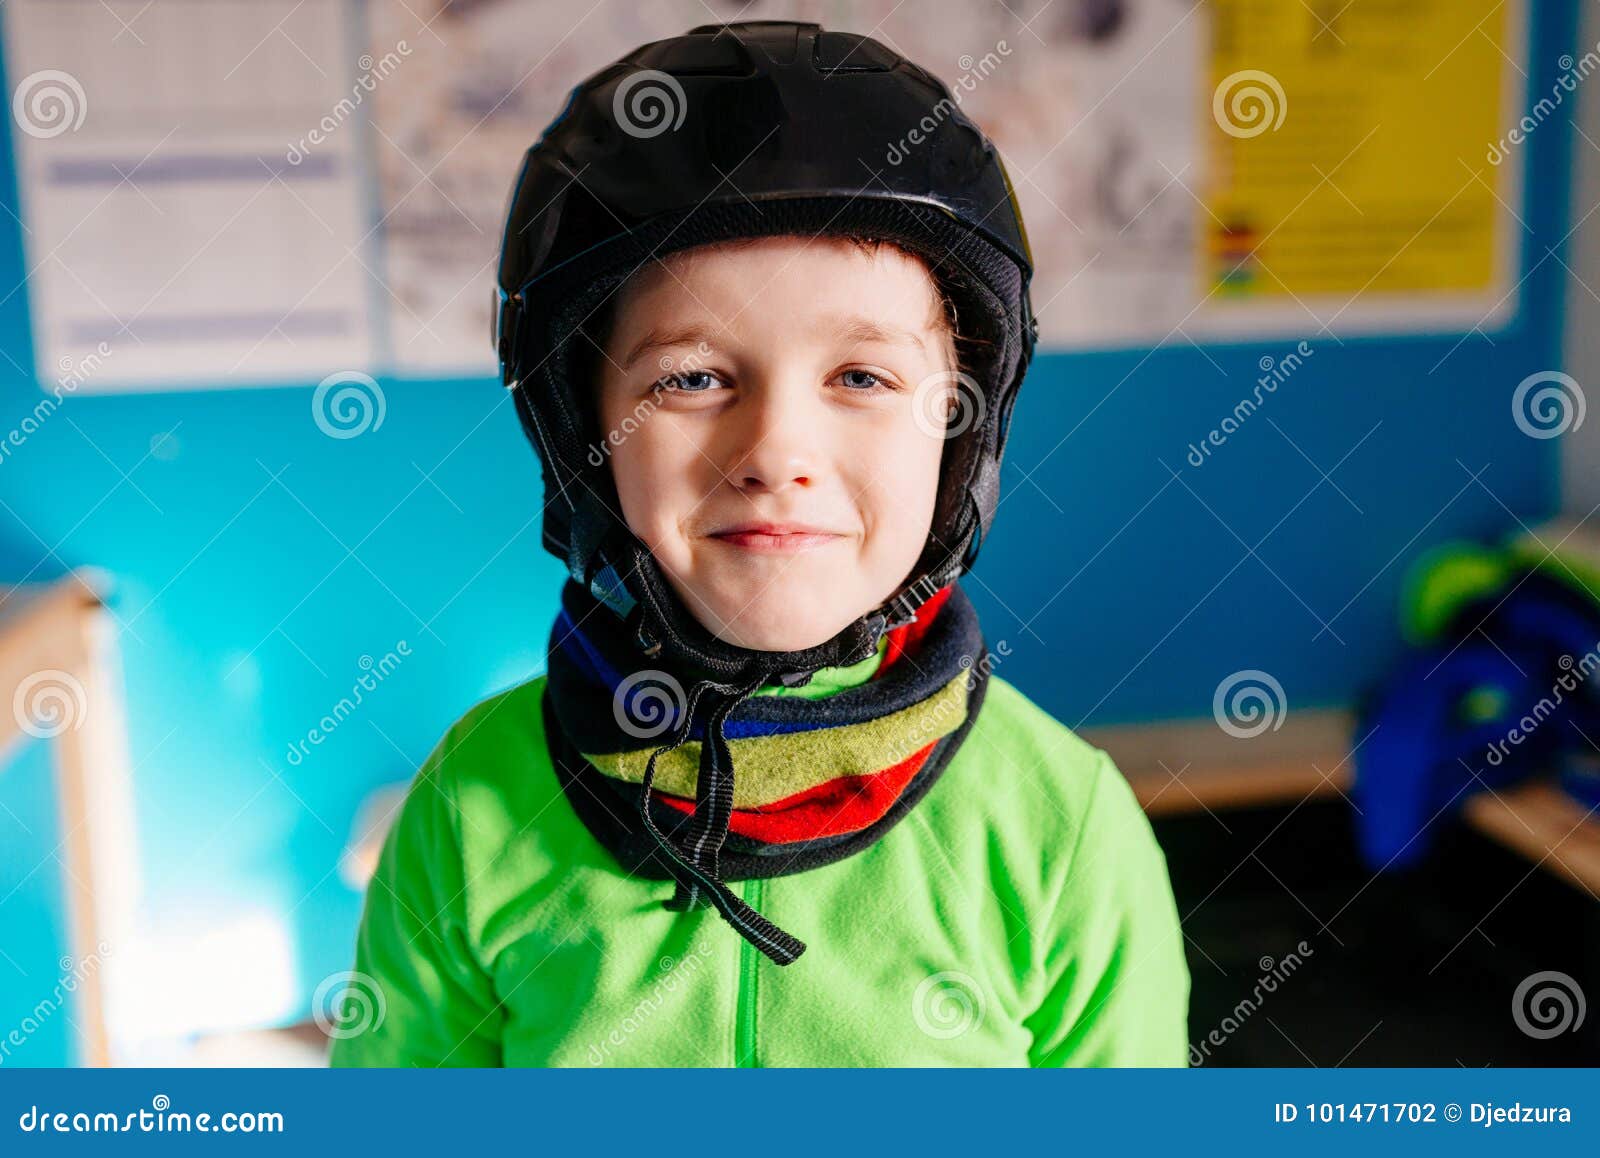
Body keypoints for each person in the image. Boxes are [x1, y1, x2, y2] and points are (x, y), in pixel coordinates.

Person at [329, 19, 1189, 1068]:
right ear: (586, 438)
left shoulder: (1061, 829)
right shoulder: (472, 811)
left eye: (861, 379)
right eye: (690, 378)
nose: (777, 451)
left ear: (960, 429)